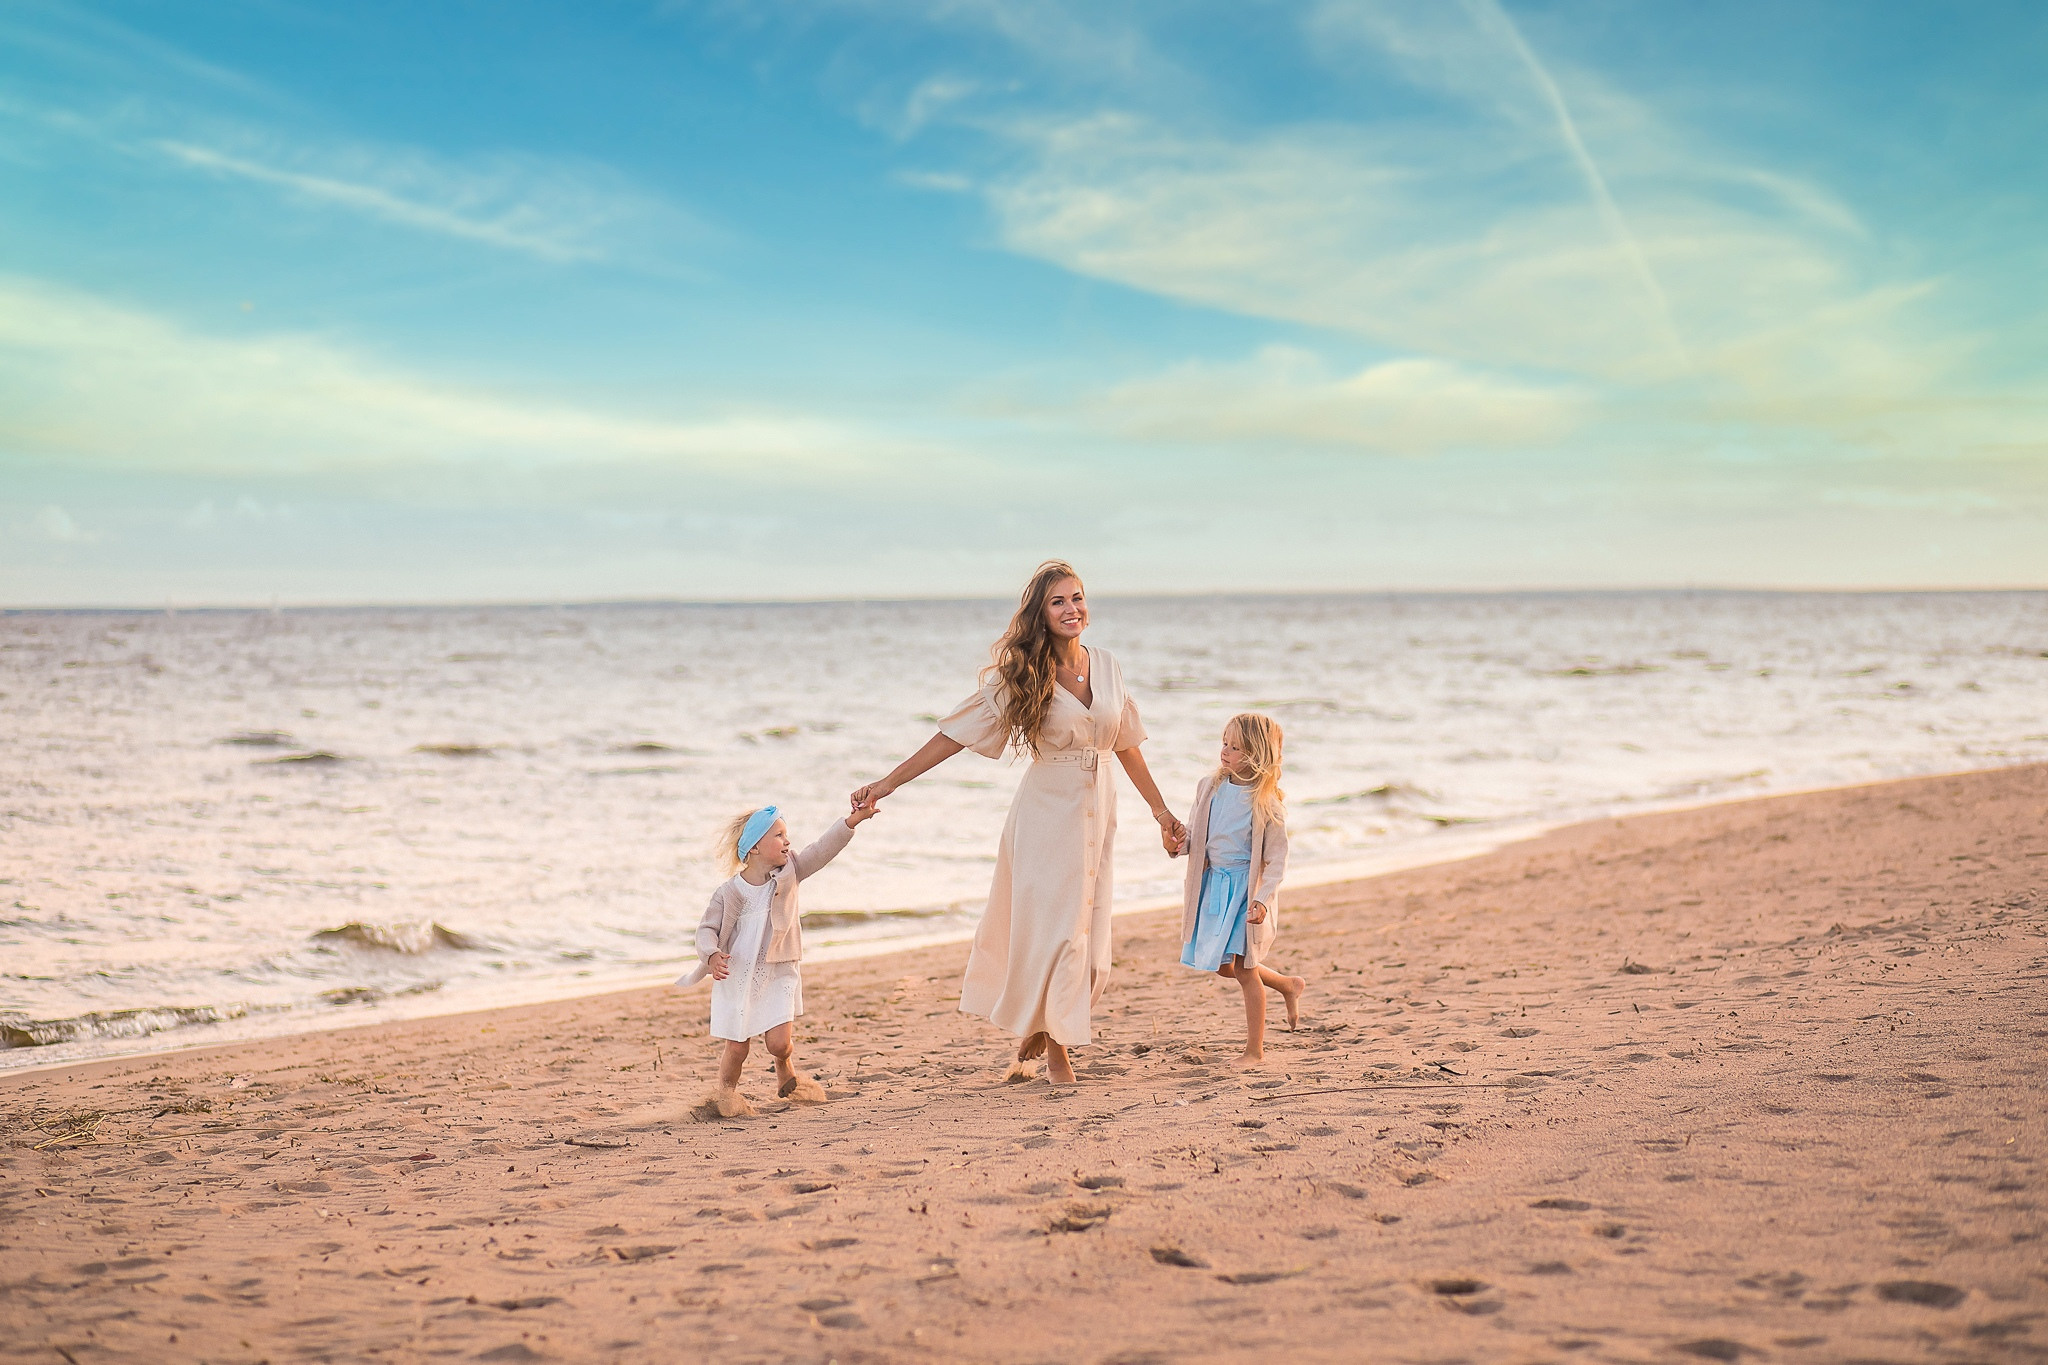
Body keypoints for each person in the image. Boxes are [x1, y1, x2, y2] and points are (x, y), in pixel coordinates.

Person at [850, 561, 1186, 1085]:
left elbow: (1126, 743)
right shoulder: (1025, 676)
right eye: (1058, 602)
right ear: (1040, 614)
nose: (1071, 609)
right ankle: (1057, 1051)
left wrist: (1161, 812)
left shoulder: (1108, 665)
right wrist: (888, 782)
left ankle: (1042, 1024)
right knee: (1057, 932)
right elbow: (955, 736)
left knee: (1091, 936)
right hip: (1047, 812)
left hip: (1100, 810)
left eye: (1077, 598)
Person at [677, 802, 874, 1116]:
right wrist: (712, 955)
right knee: (737, 1047)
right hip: (736, 975)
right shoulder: (728, 892)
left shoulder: (791, 872)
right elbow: (706, 930)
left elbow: (823, 849)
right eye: (779, 835)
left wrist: (852, 821)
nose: (787, 841)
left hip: (779, 969)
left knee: (778, 1043)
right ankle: (725, 1096)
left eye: (787, 834)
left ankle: (784, 1064)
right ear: (755, 847)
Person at [1175, 713, 1304, 1066]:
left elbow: (1277, 862)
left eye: (1236, 747)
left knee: (1246, 969)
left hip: (1246, 893)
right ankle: (1286, 984)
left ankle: (1254, 1052)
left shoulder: (1266, 804)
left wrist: (1262, 900)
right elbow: (1197, 834)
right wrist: (1179, 843)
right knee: (1222, 965)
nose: (1225, 751)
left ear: (1257, 755)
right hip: (1214, 889)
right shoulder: (1209, 788)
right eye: (1224, 744)